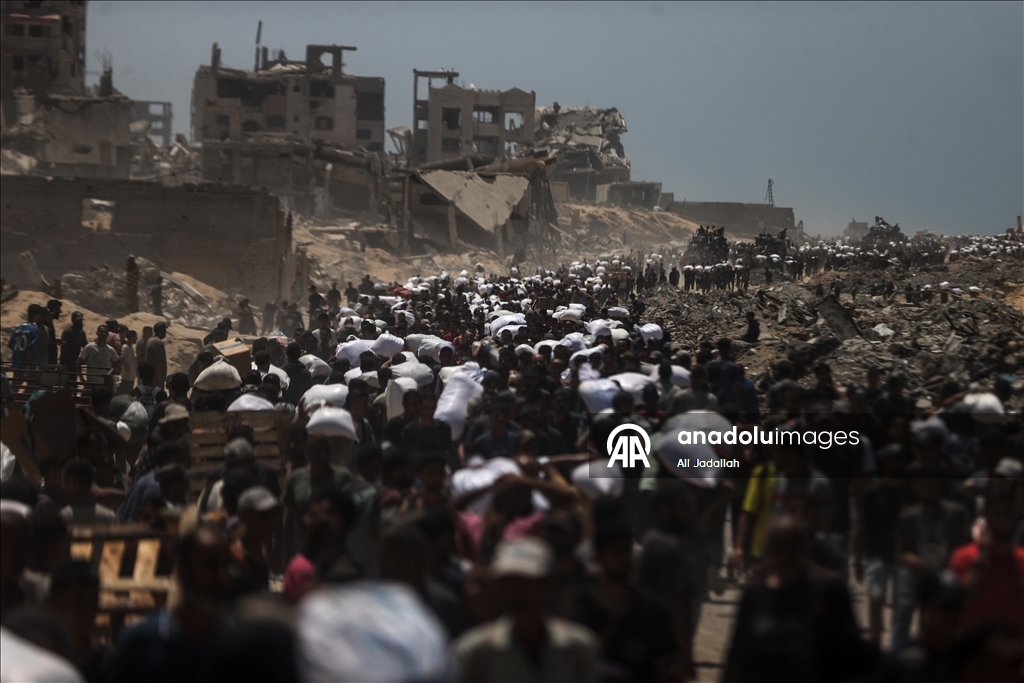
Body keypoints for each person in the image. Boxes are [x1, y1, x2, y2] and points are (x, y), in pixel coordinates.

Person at [724, 514, 877, 683]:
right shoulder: (755, 595)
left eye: (792, 547)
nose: (786, 555)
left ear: (806, 546)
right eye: (780, 547)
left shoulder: (829, 592)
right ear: (769, 550)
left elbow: (852, 654)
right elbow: (737, 657)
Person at [450, 537, 600, 682]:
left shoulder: (578, 649)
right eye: (509, 584)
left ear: (548, 585)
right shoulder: (475, 652)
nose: (518, 593)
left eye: (527, 584)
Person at [108, 526, 232, 683]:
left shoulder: (240, 643)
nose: (222, 577)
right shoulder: (141, 642)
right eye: (210, 566)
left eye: (227, 566)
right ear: (182, 569)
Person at [59, 459, 117, 526]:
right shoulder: (109, 516)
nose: (62, 486)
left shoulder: (63, 517)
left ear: (73, 483)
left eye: (64, 481)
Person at [144, 322, 168, 389]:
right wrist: (159, 381)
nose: (166, 332)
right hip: (155, 379)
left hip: (148, 376)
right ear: (161, 331)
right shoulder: (158, 343)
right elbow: (158, 363)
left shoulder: (150, 340)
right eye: (164, 330)